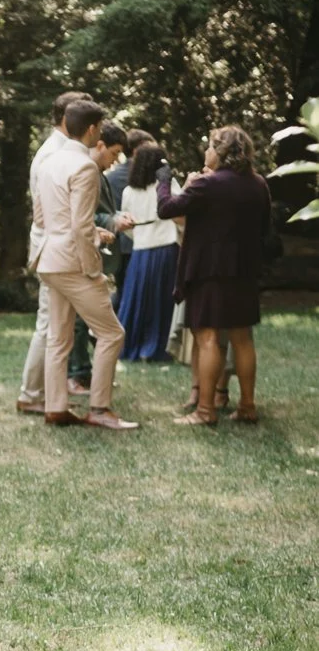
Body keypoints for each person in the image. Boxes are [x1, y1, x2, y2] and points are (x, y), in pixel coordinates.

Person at [33, 98, 138, 431]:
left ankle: (55, 408)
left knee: (59, 337)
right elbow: (80, 227)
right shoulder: (85, 166)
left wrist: (89, 232)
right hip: (74, 264)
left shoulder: (49, 161)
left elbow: (43, 216)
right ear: (92, 129)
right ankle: (100, 408)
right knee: (111, 333)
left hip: (49, 258)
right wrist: (93, 266)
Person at [157, 125, 270, 427]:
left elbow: (166, 208)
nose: (206, 152)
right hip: (244, 271)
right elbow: (264, 228)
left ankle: (205, 410)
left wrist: (165, 181)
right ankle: (247, 406)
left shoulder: (208, 184)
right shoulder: (258, 184)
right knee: (242, 339)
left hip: (209, 271)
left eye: (209, 146)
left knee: (206, 338)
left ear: (220, 151)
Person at [18, 89, 89, 415]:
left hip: (55, 248)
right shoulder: (52, 154)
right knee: (49, 325)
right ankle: (32, 394)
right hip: (54, 248)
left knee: (55, 325)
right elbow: (44, 209)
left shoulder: (60, 150)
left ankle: (49, 394)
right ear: (66, 117)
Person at [67, 120, 130, 392]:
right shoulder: (86, 171)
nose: (115, 159)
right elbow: (79, 216)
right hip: (81, 256)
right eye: (114, 152)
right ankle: (76, 373)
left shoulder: (98, 172)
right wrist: (113, 220)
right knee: (79, 321)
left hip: (97, 256)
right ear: (100, 145)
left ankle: (85, 372)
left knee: (87, 321)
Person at [117, 140, 181, 363]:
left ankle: (132, 346)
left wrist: (140, 238)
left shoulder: (128, 192)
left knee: (137, 300)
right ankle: (159, 347)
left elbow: (126, 226)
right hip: (166, 247)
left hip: (141, 250)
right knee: (163, 301)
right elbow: (179, 212)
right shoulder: (168, 187)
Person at [107, 127, 154, 293]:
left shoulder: (110, 176)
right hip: (138, 244)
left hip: (120, 246)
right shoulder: (148, 176)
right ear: (137, 150)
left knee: (125, 293)